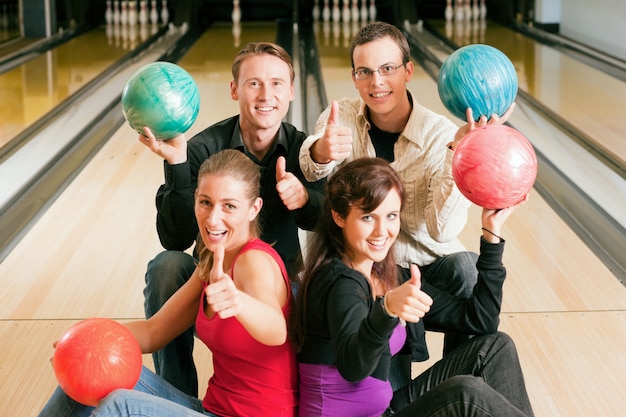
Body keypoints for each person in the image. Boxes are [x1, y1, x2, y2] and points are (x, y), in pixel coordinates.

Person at [298, 21, 516, 362]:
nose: (377, 82)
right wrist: (320, 151)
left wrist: (458, 154)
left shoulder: (438, 134)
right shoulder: (339, 118)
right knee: (394, 396)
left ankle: (457, 383)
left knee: (467, 268)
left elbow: (442, 231)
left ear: (408, 71)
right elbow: (313, 167)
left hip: (427, 265)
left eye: (388, 69)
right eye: (365, 72)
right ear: (354, 77)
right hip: (369, 266)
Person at [39, 149, 298, 417]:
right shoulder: (211, 265)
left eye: (229, 206)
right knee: (90, 367)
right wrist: (84, 341)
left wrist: (238, 300)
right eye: (205, 202)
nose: (212, 218)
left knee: (118, 406)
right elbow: (154, 332)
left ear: (254, 208)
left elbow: (277, 330)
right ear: (195, 199)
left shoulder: (253, 261)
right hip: (211, 410)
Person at [139, 42, 325, 396]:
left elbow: (327, 222)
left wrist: (303, 199)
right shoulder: (201, 149)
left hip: (280, 288)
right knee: (166, 266)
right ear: (234, 89)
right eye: (254, 83)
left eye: (276, 83)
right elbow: (174, 238)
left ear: (290, 90)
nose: (265, 94)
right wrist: (178, 165)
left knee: (324, 289)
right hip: (213, 278)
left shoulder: (305, 150)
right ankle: (177, 395)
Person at [290, 157, 533, 417]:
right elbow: (354, 366)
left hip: (386, 410)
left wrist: (491, 235)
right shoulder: (339, 281)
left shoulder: (388, 275)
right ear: (339, 216)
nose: (382, 231)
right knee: (465, 393)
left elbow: (481, 320)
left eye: (391, 216)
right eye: (368, 217)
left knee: (495, 347)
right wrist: (386, 310)